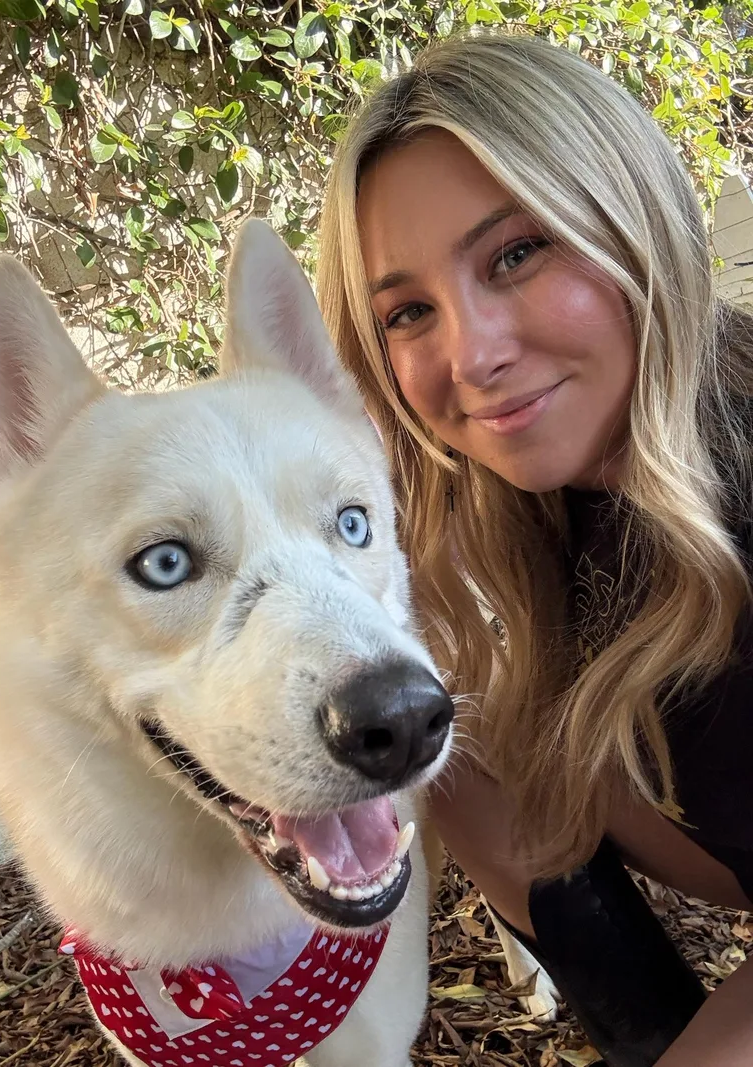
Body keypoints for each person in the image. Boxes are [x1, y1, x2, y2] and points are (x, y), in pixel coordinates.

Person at [314, 30, 753, 1067]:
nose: (470, 353)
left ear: (629, 218)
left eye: (516, 253)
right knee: (455, 753)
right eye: (408, 311)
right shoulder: (560, 486)